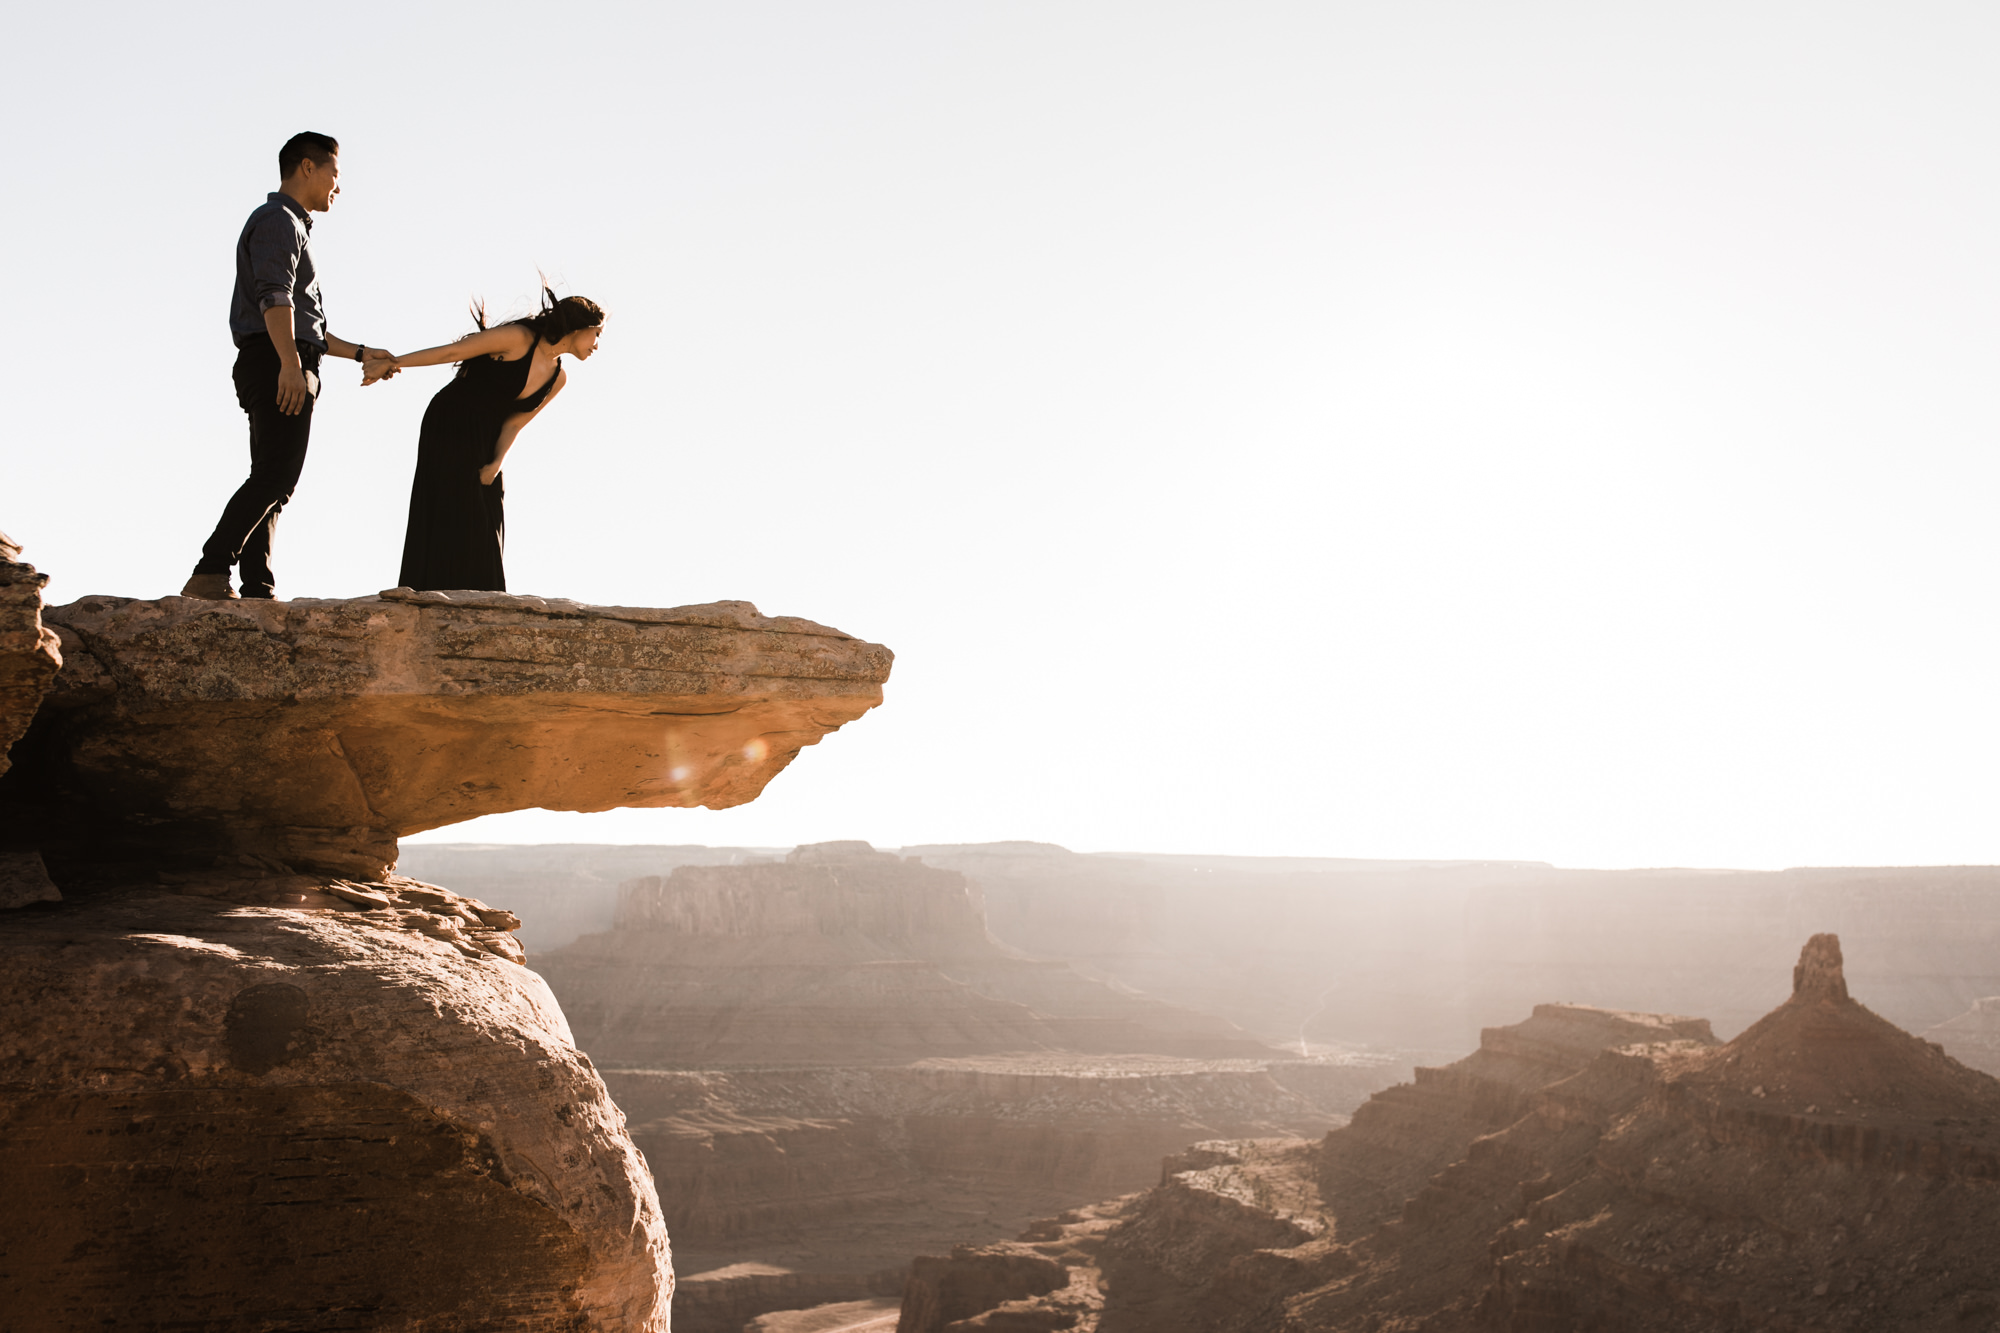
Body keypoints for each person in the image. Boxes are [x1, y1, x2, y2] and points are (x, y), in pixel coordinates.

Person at [183, 132, 397, 600]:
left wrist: (362, 353)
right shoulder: (278, 220)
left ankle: (257, 585)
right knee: (276, 477)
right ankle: (210, 569)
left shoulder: (290, 224)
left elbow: (308, 325)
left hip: (285, 356)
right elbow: (274, 298)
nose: (337, 188)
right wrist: (290, 365)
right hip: (277, 360)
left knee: (271, 478)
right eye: (335, 175)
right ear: (307, 167)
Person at [379, 286, 604, 592]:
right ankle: (430, 594)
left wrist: (496, 463)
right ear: (579, 327)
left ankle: (481, 602)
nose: (597, 345)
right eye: (596, 334)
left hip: (488, 439)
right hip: (451, 420)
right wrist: (394, 362)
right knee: (454, 508)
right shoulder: (520, 338)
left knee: (487, 517)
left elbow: (514, 424)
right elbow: (453, 352)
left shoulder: (558, 378)